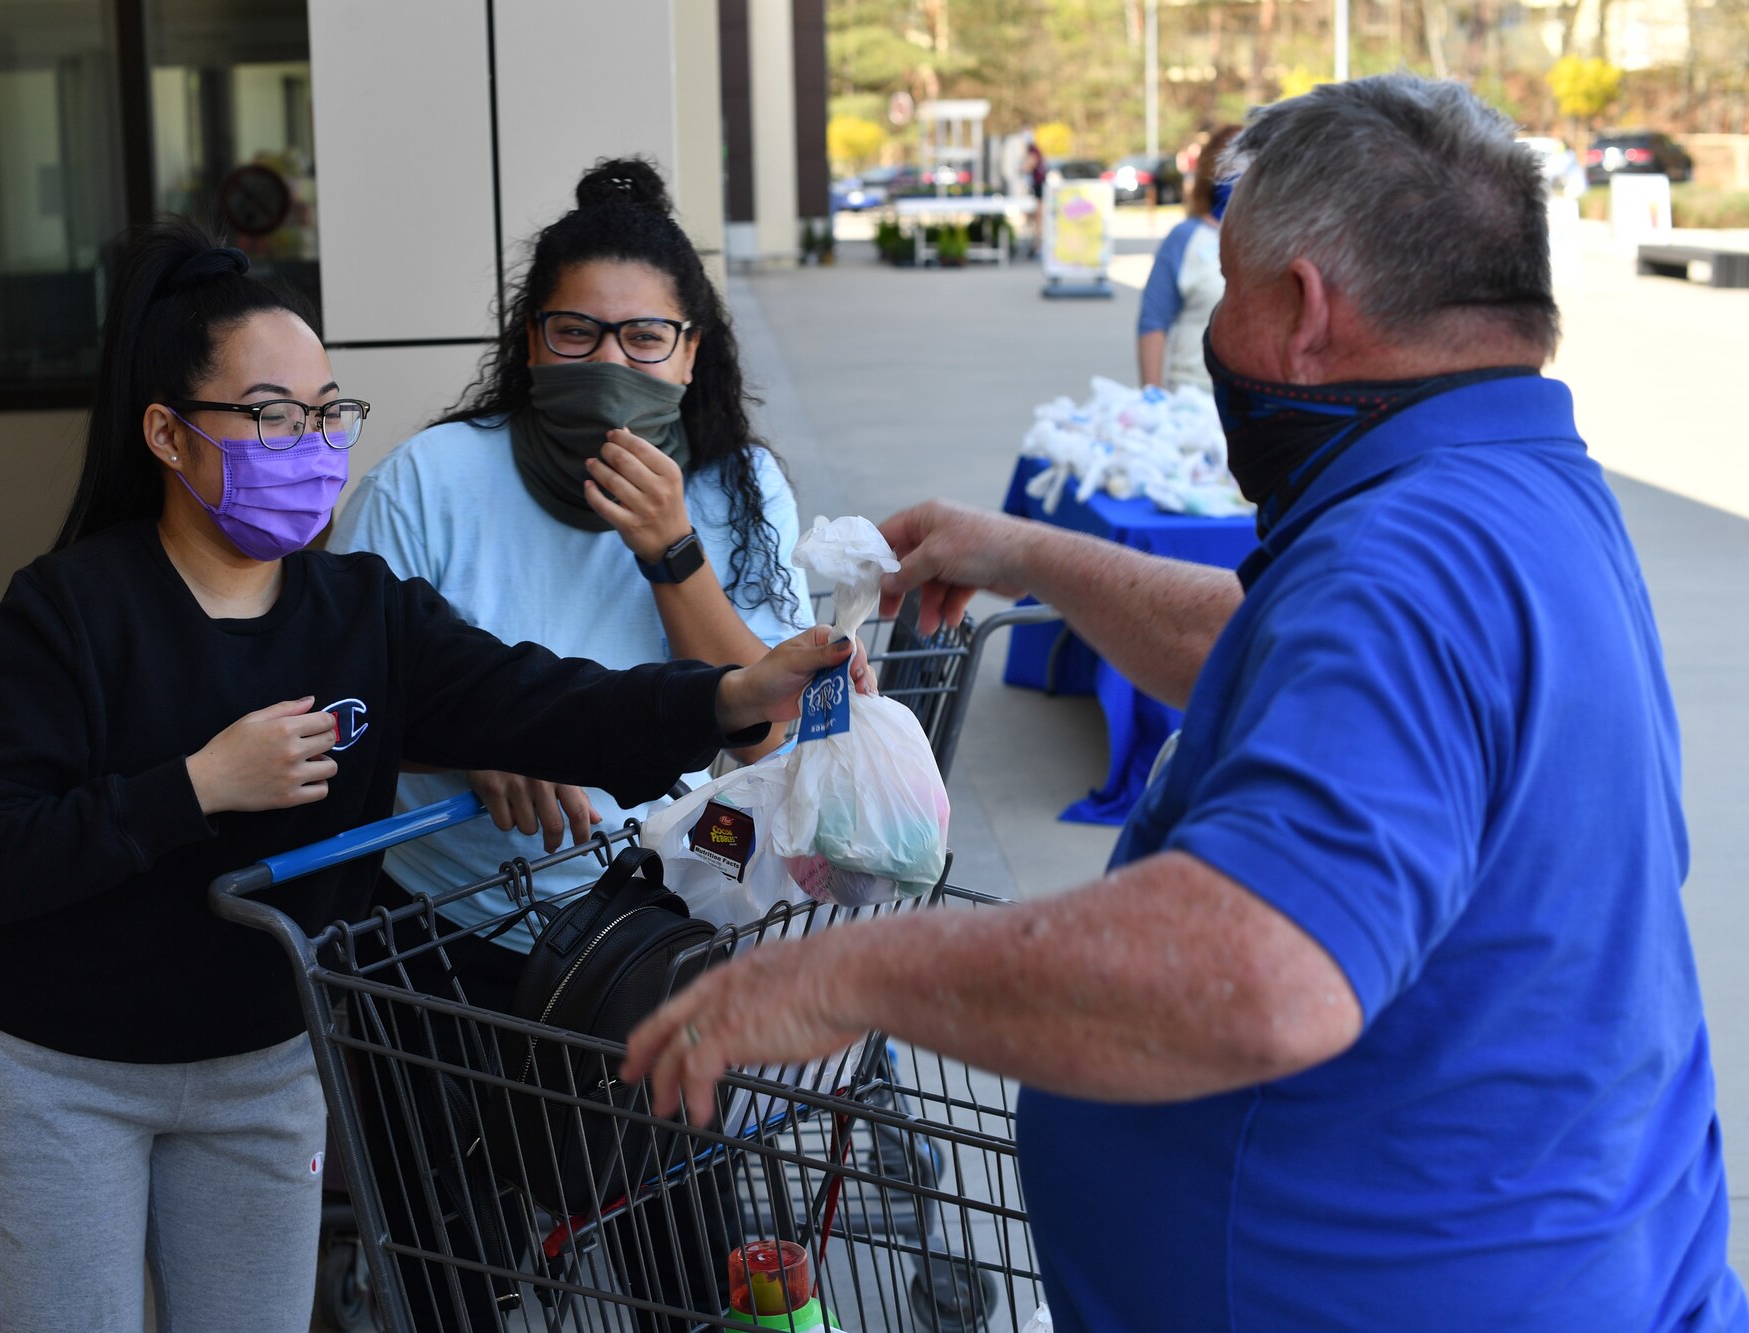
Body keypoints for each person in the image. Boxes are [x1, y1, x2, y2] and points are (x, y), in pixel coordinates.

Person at [626, 75, 1746, 1329]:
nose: (1211, 333)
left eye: (1227, 287)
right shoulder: (1506, 486)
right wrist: (1028, 554)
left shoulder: (1404, 566)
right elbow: (1273, 652)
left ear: (1304, 308)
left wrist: (847, 975)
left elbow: (1261, 973)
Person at [0, 216, 852, 1333]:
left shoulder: (359, 612)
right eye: (271, 415)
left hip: (262, 1068)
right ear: (168, 435)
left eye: (326, 412)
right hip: (64, 1073)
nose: (311, 441)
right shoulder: (64, 615)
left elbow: (542, 699)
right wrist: (197, 786)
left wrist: (721, 700)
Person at [326, 155, 818, 1332]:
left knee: (684, 1266)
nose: (610, 364)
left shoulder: (738, 487)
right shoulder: (433, 481)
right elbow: (343, 702)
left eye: (644, 338)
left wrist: (671, 549)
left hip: (652, 936)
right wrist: (468, 737)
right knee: (460, 1270)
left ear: (690, 352)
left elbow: (780, 726)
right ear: (528, 344)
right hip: (445, 943)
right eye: (576, 333)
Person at [1136, 124, 1240, 393]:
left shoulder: (1275, 243)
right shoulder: (1184, 238)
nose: (1239, 176)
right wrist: (1152, 396)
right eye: (1230, 167)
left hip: (1256, 405)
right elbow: (1153, 322)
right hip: (1193, 398)